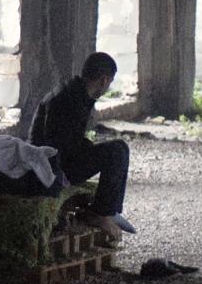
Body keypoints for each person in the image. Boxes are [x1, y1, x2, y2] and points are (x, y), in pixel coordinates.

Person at [30, 52, 135, 238]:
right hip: (51, 168)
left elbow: (70, 140)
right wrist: (91, 150)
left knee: (119, 147)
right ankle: (100, 214)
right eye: (109, 82)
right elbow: (58, 147)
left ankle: (110, 211)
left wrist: (88, 148)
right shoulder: (67, 100)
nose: (107, 87)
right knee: (115, 153)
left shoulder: (76, 94)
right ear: (104, 80)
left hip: (60, 158)